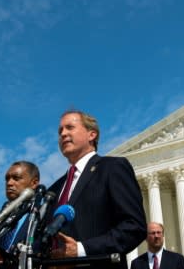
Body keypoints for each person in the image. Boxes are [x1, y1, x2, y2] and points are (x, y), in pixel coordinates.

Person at [45, 109, 147, 269]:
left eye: (70, 127)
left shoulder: (112, 168)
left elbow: (134, 226)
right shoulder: (54, 189)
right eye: (60, 131)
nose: (63, 134)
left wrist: (80, 249)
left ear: (91, 135)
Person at [0, 161, 40, 260]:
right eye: (7, 179)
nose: (9, 183)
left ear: (34, 183)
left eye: (16, 178)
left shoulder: (42, 214)